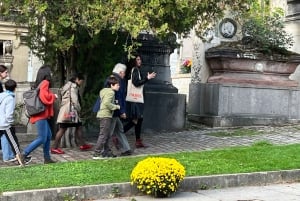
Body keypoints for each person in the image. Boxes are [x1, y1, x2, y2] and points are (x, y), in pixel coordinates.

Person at [22, 65, 57, 164]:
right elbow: (44, 97)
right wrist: (53, 96)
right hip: (40, 115)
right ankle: (24, 154)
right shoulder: (45, 83)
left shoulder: (39, 83)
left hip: (40, 114)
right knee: (42, 138)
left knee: (48, 135)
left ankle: (47, 158)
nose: (52, 73)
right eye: (50, 72)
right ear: (47, 73)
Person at [51, 73, 92, 154]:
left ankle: (82, 144)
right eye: (81, 81)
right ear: (77, 79)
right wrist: (79, 109)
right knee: (64, 128)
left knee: (77, 126)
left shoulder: (66, 86)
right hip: (70, 112)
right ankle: (54, 147)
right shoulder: (73, 87)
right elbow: (75, 101)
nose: (81, 83)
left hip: (66, 111)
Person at [124, 54, 156, 148]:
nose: (139, 61)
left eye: (140, 59)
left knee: (138, 119)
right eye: (137, 59)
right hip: (135, 100)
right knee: (135, 120)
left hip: (136, 99)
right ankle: (119, 135)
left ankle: (138, 140)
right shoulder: (135, 70)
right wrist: (147, 78)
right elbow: (136, 83)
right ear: (134, 61)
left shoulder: (135, 70)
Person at [93, 76, 120, 159]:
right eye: (117, 85)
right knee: (103, 135)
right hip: (105, 115)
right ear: (112, 85)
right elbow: (106, 103)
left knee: (107, 135)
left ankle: (107, 152)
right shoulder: (111, 92)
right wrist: (116, 106)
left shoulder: (104, 91)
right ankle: (96, 153)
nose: (119, 86)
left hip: (102, 114)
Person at [108, 63, 132, 156]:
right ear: (121, 72)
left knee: (118, 129)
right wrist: (122, 111)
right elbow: (118, 96)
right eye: (124, 73)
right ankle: (105, 150)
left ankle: (125, 148)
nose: (124, 74)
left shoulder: (111, 78)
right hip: (114, 110)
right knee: (109, 131)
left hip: (114, 109)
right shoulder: (117, 80)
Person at [0, 79, 24, 166]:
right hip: (5, 124)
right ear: (15, 88)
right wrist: (10, 122)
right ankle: (21, 161)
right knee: (14, 142)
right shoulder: (10, 98)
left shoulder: (1, 95)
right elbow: (9, 114)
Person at [0, 65, 15, 162]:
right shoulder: (9, 98)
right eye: (5, 72)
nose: (7, 74)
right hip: (3, 120)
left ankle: (7, 153)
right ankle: (8, 155)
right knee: (6, 136)